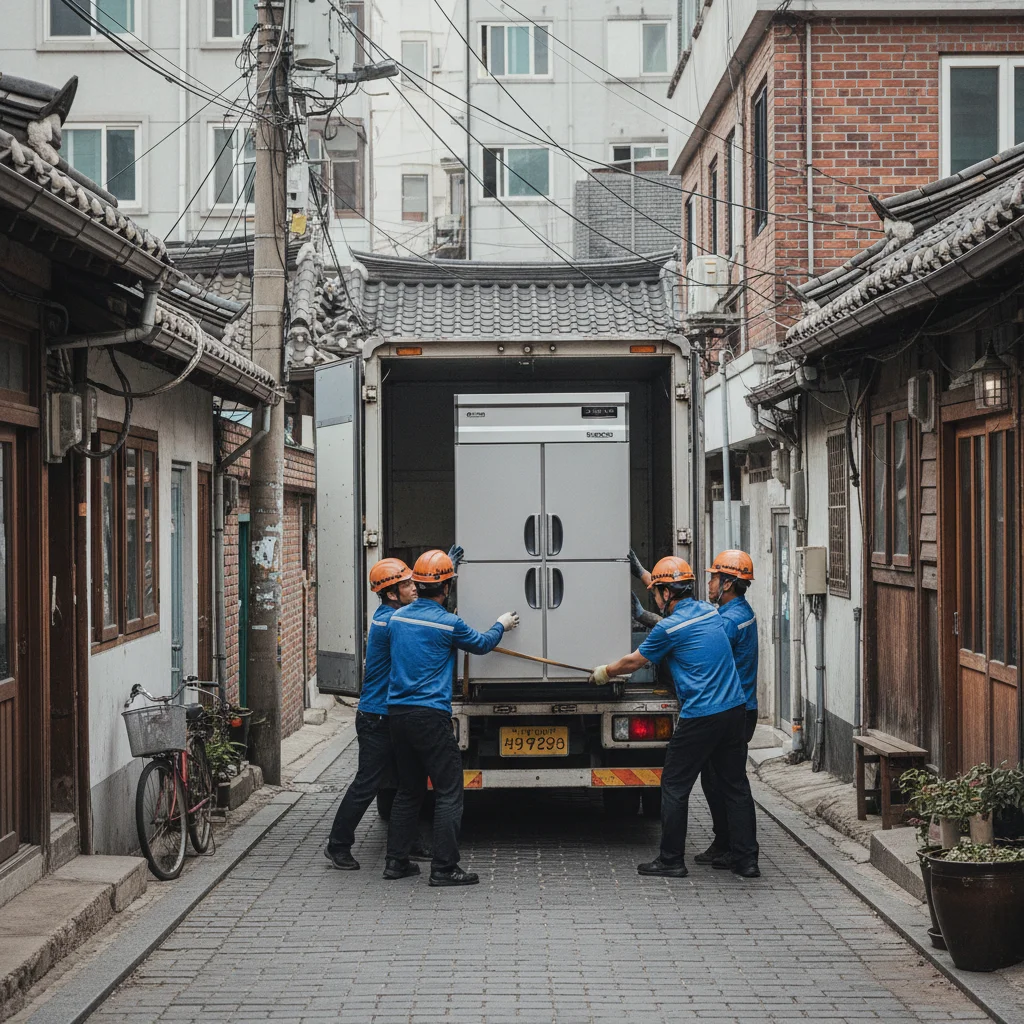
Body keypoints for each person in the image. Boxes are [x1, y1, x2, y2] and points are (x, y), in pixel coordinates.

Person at [590, 556, 760, 879]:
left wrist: (605, 672)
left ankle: (671, 860)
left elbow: (633, 662)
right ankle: (747, 861)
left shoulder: (668, 628)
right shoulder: (710, 612)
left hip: (701, 715)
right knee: (735, 785)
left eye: (657, 592)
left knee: (674, 784)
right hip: (735, 710)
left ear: (667, 593)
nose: (655, 598)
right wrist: (646, 576)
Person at [384, 548, 519, 886]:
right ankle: (444, 868)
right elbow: (482, 644)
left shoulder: (397, 620)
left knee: (408, 790)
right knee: (448, 791)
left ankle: (396, 863)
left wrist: (446, 567)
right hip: (430, 716)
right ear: (446, 588)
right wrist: (501, 624)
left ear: (416, 584)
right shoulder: (449, 624)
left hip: (397, 715)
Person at [324, 558, 418, 871]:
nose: (414, 588)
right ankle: (337, 846)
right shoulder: (392, 622)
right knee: (368, 784)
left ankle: (408, 843)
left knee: (406, 782)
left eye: (414, 582)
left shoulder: (390, 615)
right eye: (407, 584)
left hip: (387, 716)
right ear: (391, 594)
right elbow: (427, 623)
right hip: (377, 718)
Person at [695, 550, 759, 869]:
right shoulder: (737, 611)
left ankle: (742, 852)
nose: (709, 583)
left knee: (730, 783)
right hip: (738, 709)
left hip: (734, 711)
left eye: (714, 578)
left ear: (728, 583)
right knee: (714, 779)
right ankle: (725, 843)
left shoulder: (730, 621)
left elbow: (699, 643)